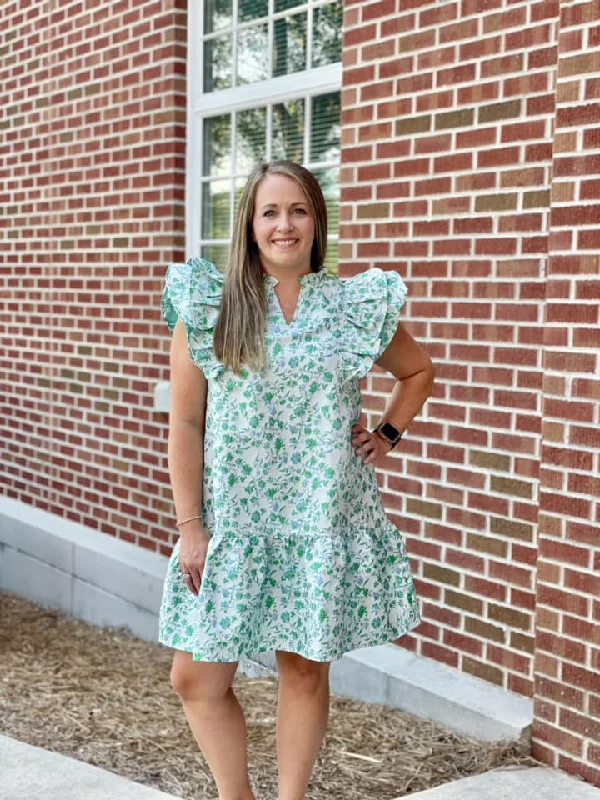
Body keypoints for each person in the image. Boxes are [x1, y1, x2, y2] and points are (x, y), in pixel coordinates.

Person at [158, 160, 434, 800]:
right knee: (195, 679)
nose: (286, 225)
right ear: (250, 226)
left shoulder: (350, 308)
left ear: (317, 220)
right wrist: (191, 526)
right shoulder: (211, 305)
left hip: (320, 520)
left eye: (299, 210)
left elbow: (418, 372)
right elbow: (186, 424)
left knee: (303, 670)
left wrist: (387, 434)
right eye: (270, 212)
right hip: (234, 525)